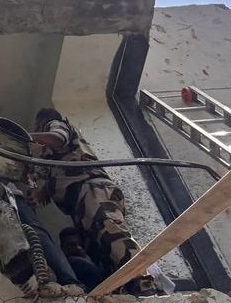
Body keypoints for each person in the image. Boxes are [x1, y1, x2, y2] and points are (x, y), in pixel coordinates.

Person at [29, 107, 153, 293]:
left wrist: (27, 137)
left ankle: (143, 283)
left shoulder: (56, 125)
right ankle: (122, 290)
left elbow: (57, 138)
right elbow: (59, 179)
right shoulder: (57, 161)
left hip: (92, 190)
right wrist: (40, 192)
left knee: (111, 234)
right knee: (99, 248)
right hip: (81, 201)